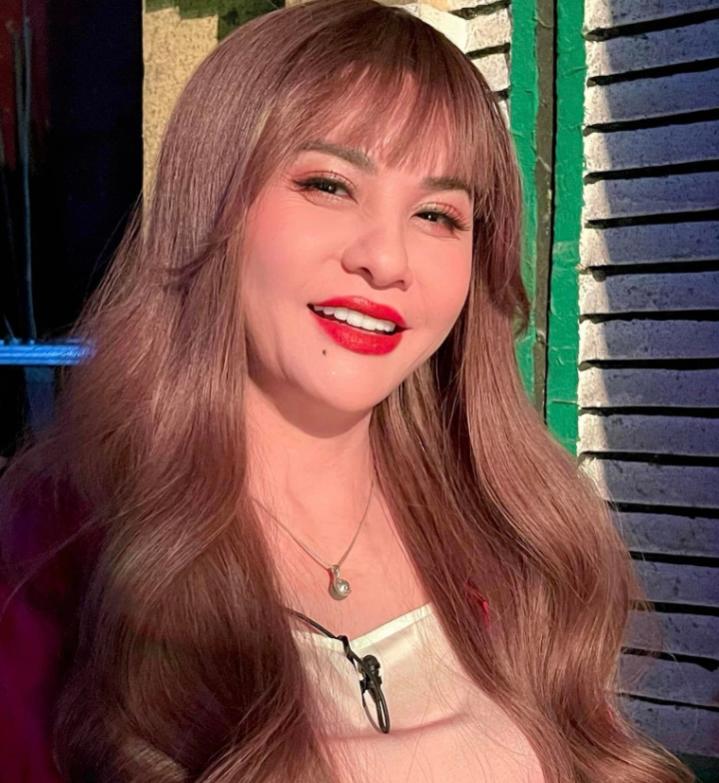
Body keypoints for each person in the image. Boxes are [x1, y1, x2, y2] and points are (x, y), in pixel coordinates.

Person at [0, 1, 697, 781]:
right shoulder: (59, 558)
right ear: (211, 203)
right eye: (329, 184)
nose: (386, 259)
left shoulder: (514, 540)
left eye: (436, 213)